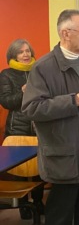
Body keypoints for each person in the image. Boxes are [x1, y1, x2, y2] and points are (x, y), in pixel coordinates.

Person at [21, 9, 79, 225]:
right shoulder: (43, 67)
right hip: (64, 155)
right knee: (60, 215)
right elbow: (32, 108)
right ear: (66, 33)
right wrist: (73, 101)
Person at [0, 39, 44, 220]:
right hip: (17, 129)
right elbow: (6, 101)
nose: (26, 55)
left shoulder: (39, 71)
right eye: (21, 52)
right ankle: (24, 205)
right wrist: (24, 91)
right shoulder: (6, 74)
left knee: (40, 168)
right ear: (13, 55)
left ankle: (39, 202)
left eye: (28, 51)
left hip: (40, 127)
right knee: (19, 169)